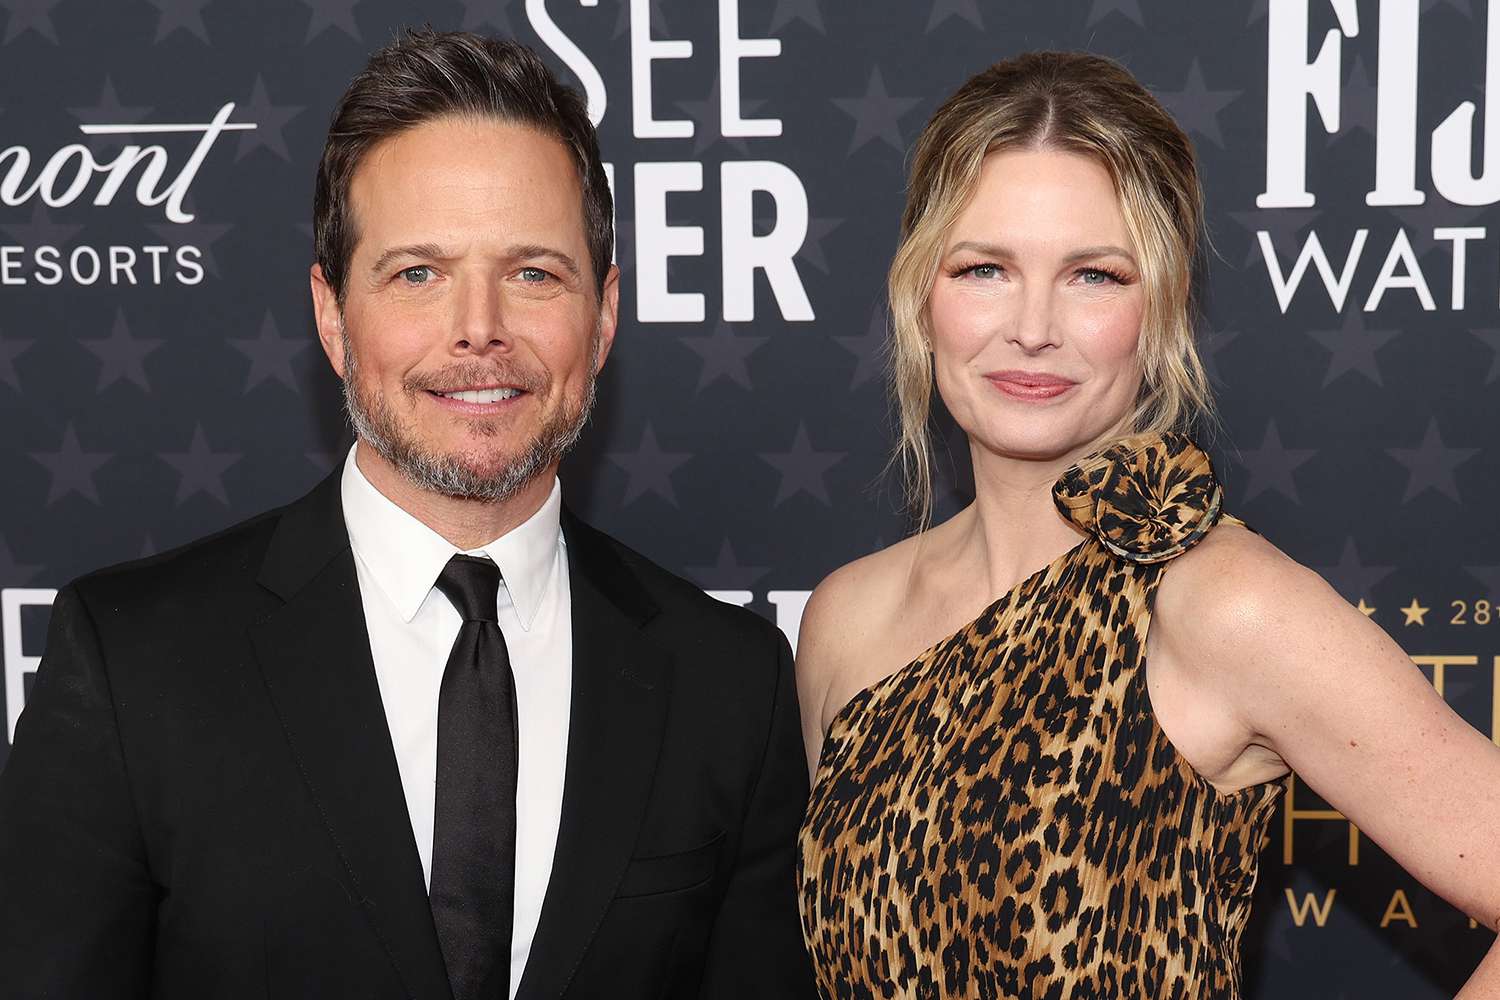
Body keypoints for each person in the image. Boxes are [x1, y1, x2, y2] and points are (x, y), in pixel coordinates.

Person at [0, 30, 816, 1000]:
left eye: (533, 273)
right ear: (331, 315)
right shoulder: (132, 664)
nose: (479, 329)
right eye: (418, 273)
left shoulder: (730, 686)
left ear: (602, 316)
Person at [794, 51, 1500, 998]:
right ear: (921, 293)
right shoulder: (846, 618)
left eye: (1093, 275)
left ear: (1160, 307)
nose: (1033, 326)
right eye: (984, 269)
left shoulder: (1221, 604)